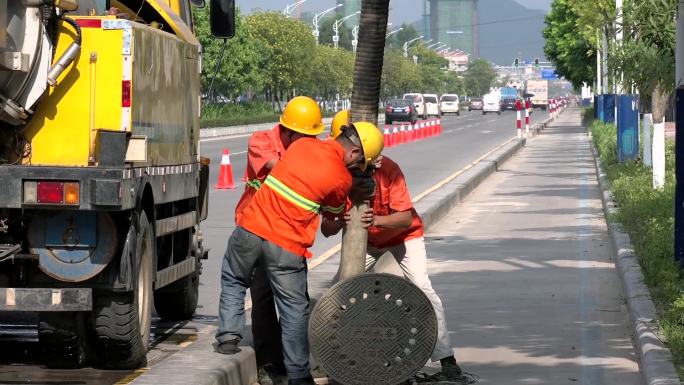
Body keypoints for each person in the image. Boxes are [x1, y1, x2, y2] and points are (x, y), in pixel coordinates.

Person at [216, 121, 384, 385]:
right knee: (294, 310)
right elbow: (332, 219)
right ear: (354, 155)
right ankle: (299, 375)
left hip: (249, 229)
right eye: (359, 163)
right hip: (285, 245)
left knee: (234, 279)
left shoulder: (301, 144)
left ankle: (227, 338)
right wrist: (353, 190)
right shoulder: (341, 178)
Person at [321, 135, 474, 385]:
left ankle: (447, 361)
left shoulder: (389, 170)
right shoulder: (337, 176)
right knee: (338, 294)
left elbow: (404, 219)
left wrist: (377, 220)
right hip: (366, 244)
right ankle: (333, 357)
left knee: (423, 290)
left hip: (404, 237)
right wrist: (341, 219)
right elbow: (326, 228)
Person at [234, 96, 325, 384]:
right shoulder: (261, 141)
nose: (308, 143)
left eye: (312, 138)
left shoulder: (307, 148)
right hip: (258, 230)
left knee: (296, 302)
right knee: (262, 299)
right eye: (303, 137)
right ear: (286, 130)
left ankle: (295, 361)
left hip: (292, 234)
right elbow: (280, 169)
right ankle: (268, 362)